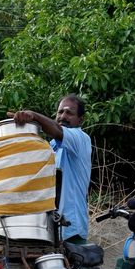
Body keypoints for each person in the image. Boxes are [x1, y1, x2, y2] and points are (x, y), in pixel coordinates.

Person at [13, 94, 91, 243]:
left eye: (69, 113)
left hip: (71, 230)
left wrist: (34, 116)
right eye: (60, 112)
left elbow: (56, 129)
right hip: (50, 229)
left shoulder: (80, 138)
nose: (63, 116)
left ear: (80, 120)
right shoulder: (52, 146)